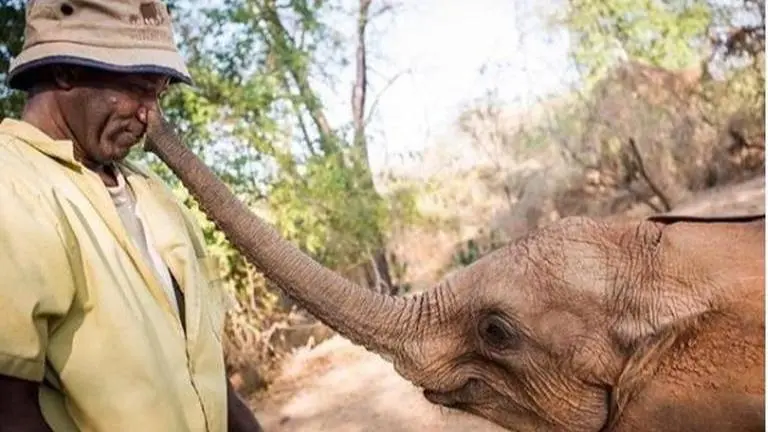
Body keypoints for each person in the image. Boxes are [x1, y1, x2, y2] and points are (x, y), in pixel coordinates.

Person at [0, 1, 262, 431]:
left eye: (158, 93)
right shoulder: (12, 187)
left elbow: (210, 376)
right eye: (137, 88)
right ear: (67, 70)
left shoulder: (154, 194)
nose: (149, 115)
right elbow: (9, 411)